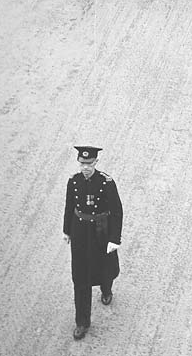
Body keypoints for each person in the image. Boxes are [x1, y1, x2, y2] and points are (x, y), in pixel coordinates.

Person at [63, 146, 123, 341]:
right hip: (80, 232)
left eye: (89, 164)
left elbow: (116, 211)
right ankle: (82, 321)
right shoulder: (73, 182)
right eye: (82, 164)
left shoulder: (106, 183)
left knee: (105, 268)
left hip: (101, 231)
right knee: (80, 277)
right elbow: (70, 206)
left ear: (96, 163)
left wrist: (114, 239)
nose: (85, 168)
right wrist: (67, 231)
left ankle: (106, 289)